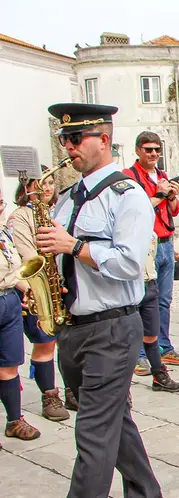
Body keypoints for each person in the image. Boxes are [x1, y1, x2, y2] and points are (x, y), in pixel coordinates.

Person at [39, 102, 161, 496]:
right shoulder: (67, 197)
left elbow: (128, 264)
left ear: (104, 139)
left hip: (112, 328)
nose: (68, 148)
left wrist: (73, 246)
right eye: (64, 139)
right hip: (73, 329)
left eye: (75, 139)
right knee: (113, 425)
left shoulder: (128, 196)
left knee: (92, 436)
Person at [9, 167, 77, 418]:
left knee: (68, 343)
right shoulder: (19, 216)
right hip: (39, 287)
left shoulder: (56, 211)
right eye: (41, 184)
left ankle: (71, 388)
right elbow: (26, 254)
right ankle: (49, 396)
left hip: (61, 284)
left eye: (49, 183)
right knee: (45, 344)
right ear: (28, 189)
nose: (46, 188)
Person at [126, 130, 179, 375]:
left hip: (165, 242)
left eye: (157, 150)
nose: (153, 154)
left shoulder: (162, 175)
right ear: (138, 150)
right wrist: (160, 194)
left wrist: (171, 195)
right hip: (145, 246)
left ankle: (163, 346)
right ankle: (140, 354)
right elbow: (135, 209)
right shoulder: (130, 177)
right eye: (148, 149)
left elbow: (173, 210)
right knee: (141, 302)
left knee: (164, 301)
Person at [0, 187, 42, 446]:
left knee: (10, 364)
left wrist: (28, 290)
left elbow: (14, 270)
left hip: (9, 301)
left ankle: (14, 420)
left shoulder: (4, 233)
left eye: (0, 202)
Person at [136, 234, 179, 392]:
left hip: (149, 283)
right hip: (131, 286)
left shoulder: (151, 234)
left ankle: (159, 376)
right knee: (127, 335)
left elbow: (152, 255)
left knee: (151, 334)